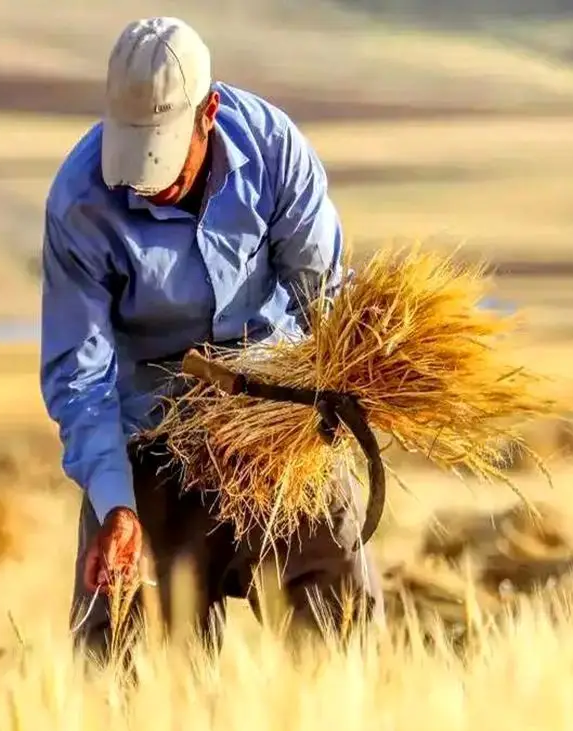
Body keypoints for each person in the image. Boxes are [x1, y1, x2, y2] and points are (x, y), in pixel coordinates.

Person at [38, 15, 384, 663]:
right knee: (120, 653)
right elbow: (79, 378)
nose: (147, 177)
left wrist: (346, 388)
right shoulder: (79, 203)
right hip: (154, 432)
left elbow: (323, 299)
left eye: (163, 151)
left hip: (276, 424)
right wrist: (115, 505)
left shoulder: (276, 151)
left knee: (343, 632)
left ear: (209, 113)